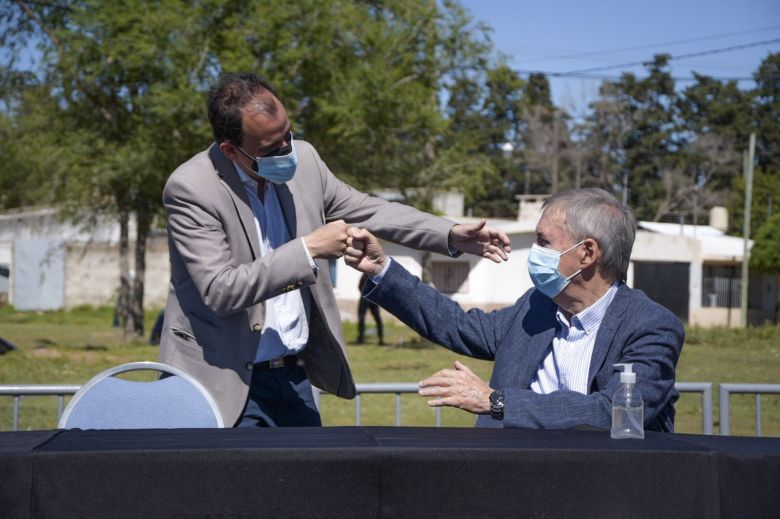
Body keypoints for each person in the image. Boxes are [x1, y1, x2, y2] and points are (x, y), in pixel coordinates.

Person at [159, 72, 511, 428]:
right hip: (225, 379)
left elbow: (370, 209)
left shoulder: (306, 161)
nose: (287, 151)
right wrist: (309, 248)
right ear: (231, 150)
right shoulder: (192, 189)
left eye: (288, 135)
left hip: (293, 375)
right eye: (270, 149)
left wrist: (449, 233)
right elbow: (222, 289)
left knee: (310, 481)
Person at [345, 188, 685, 431]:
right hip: (513, 481)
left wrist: (497, 402)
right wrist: (382, 270)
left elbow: (615, 413)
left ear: (588, 253)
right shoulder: (536, 306)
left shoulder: (651, 326)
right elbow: (457, 325)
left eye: (544, 242)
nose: (534, 251)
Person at [356, 273, 384, 345]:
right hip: (366, 298)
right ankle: (361, 338)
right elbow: (359, 286)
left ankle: (381, 339)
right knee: (361, 318)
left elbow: (379, 287)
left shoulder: (375, 276)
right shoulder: (365, 275)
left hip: (372, 299)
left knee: (377, 319)